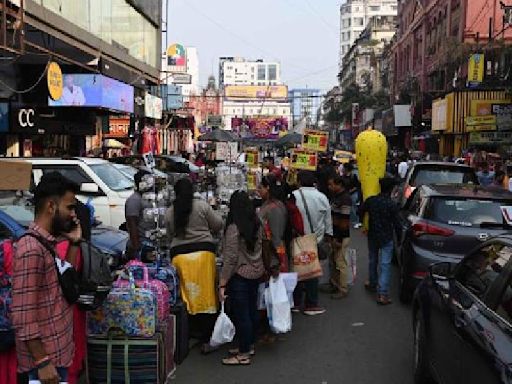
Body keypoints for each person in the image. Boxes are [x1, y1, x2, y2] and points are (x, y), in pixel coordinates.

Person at [11, 172, 82, 384]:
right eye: (69, 207)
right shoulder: (31, 249)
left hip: (56, 358)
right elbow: (23, 314)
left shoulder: (46, 243)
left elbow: (64, 283)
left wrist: (74, 243)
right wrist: (42, 361)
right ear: (51, 207)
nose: (73, 214)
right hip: (44, 367)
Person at [165, 178, 223, 348]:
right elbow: (218, 224)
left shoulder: (170, 211)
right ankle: (207, 335)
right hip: (204, 255)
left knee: (187, 295)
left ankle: (189, 332)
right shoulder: (202, 206)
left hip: (180, 258)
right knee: (207, 294)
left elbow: (169, 235)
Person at [218, 191, 264, 366]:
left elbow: (230, 258)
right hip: (256, 272)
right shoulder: (256, 223)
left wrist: (222, 283)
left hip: (240, 275)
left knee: (242, 314)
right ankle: (249, 345)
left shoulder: (234, 228)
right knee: (251, 310)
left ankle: (244, 353)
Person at [292, 171, 333, 315]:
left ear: (299, 182)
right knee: (312, 271)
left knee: (296, 269)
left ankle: (295, 303)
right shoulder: (322, 197)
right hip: (316, 239)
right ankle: (311, 304)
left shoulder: (294, 196)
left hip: (296, 239)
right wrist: (328, 237)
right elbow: (328, 221)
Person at [361, 177, 401, 305]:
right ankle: (382, 294)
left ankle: (373, 282)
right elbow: (397, 224)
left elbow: (360, 210)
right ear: (391, 189)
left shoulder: (371, 201)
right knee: (385, 264)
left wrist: (365, 224)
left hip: (372, 234)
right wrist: (399, 239)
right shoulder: (392, 205)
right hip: (386, 236)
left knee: (373, 259)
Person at [327, 175, 352, 299]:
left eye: (332, 185)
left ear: (339, 185)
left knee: (340, 262)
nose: (330, 187)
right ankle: (334, 284)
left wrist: (339, 239)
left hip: (340, 236)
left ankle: (343, 288)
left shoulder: (345, 199)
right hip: (334, 234)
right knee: (333, 260)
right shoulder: (336, 197)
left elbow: (344, 221)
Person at [257, 174, 288, 272]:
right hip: (268, 255)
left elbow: (277, 238)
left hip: (273, 258)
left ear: (268, 188)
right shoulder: (268, 204)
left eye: (260, 188)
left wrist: (280, 261)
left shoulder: (275, 208)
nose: (258, 190)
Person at [125, 169, 153, 260]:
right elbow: (132, 225)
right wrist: (137, 248)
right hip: (142, 246)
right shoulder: (134, 200)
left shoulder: (148, 198)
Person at [341, 162, 361, 228]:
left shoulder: (353, 176)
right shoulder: (342, 176)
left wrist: (350, 191)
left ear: (346, 168)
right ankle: (352, 221)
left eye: (343, 168)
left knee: (353, 208)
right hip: (346, 194)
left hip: (353, 194)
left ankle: (356, 222)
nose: (342, 169)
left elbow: (357, 185)